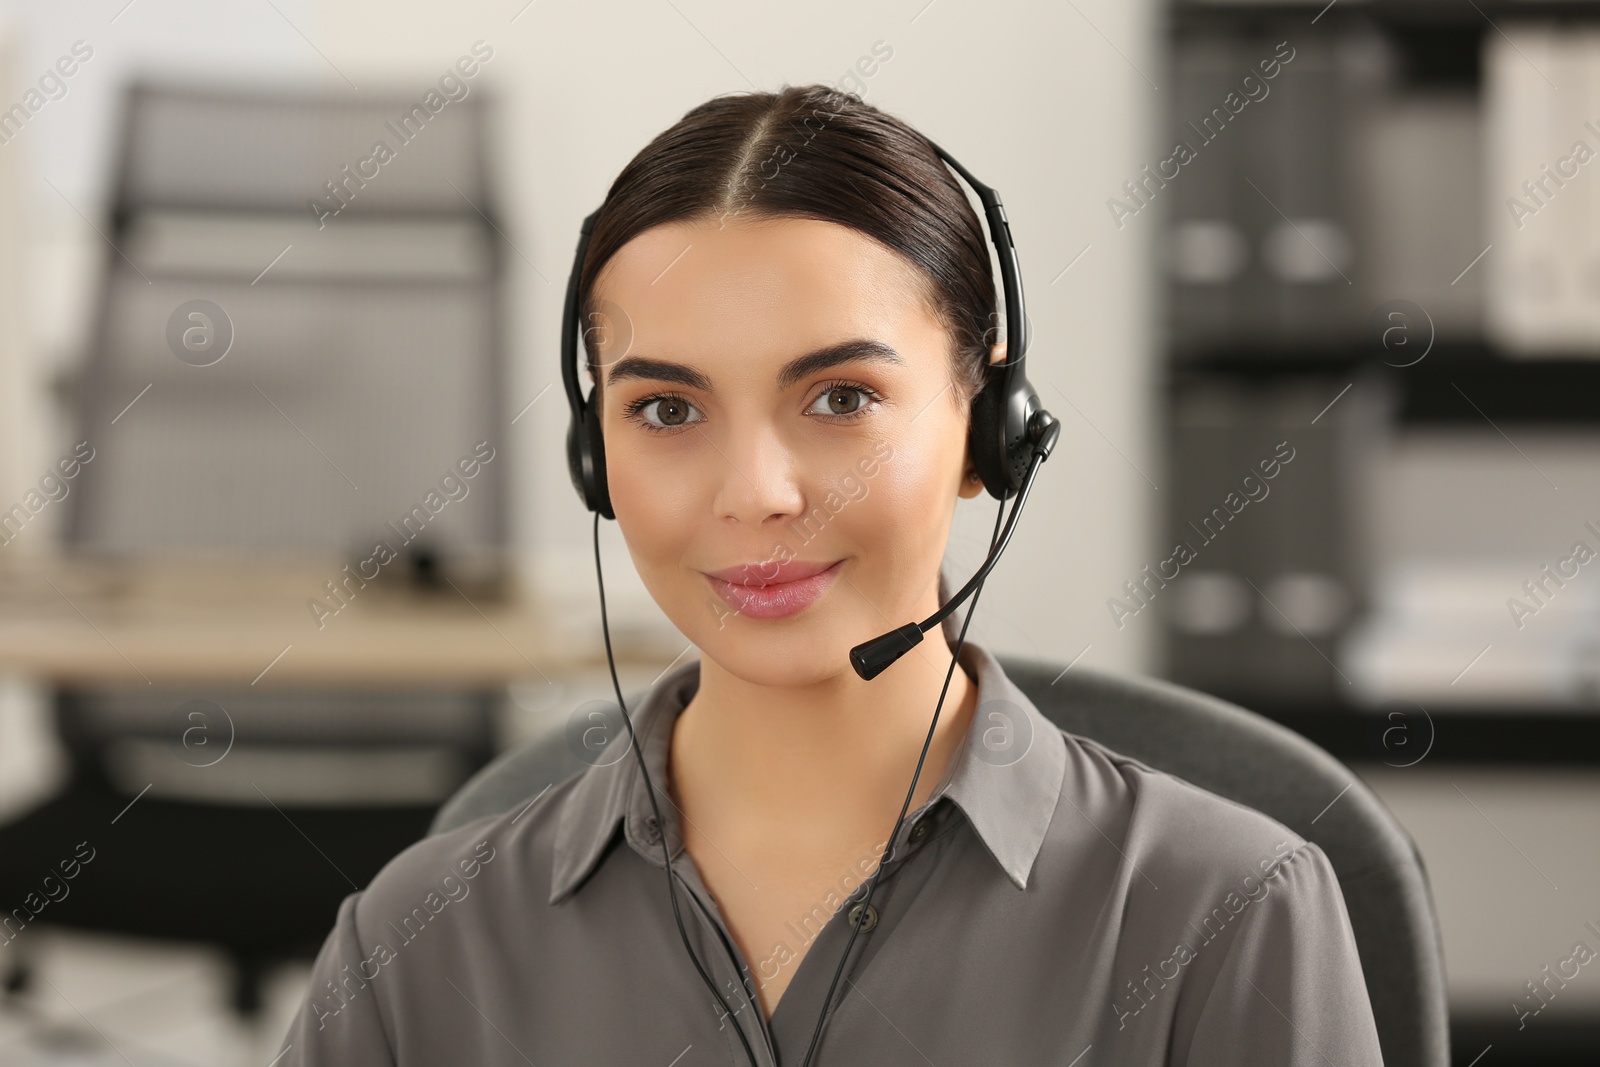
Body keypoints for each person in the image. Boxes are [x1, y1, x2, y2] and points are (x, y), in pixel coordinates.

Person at [276, 83, 1384, 1066]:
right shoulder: (418, 945)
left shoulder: (1224, 915)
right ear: (593, 459)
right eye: (665, 409)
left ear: (988, 434)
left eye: (841, 398)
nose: (756, 490)